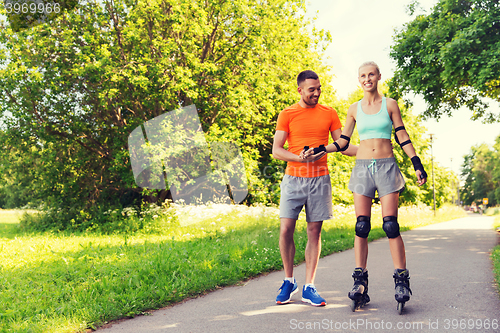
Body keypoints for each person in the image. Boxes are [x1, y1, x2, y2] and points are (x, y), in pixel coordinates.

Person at [303, 61, 427, 307]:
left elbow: (401, 134)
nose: (367, 78)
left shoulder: (390, 104)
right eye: (363, 75)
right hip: (362, 169)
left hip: (387, 166)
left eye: (371, 74)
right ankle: (359, 282)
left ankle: (402, 280)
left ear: (379, 76)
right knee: (361, 226)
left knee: (391, 226)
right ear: (358, 80)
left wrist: (417, 162)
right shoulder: (354, 109)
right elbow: (343, 141)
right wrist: (321, 149)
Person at [272, 70, 357, 306]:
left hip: (320, 179)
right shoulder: (287, 114)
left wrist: (372, 149)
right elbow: (277, 149)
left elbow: (343, 145)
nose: (317, 93)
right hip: (293, 178)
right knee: (286, 229)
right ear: (300, 90)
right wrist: (299, 159)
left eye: (319, 88)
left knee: (314, 232)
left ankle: (309, 286)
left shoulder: (329, 113)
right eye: (312, 90)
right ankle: (289, 280)